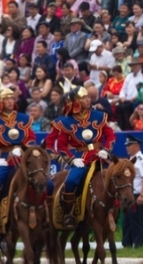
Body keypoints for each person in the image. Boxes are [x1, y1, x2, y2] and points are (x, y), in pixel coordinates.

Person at [46, 87, 116, 228]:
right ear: (76, 101)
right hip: (80, 158)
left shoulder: (99, 116)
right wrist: (71, 160)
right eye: (84, 98)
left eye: (88, 97)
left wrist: (107, 150)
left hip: (99, 156)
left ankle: (114, 211)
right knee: (71, 181)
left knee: (116, 178)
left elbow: (110, 135)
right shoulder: (66, 122)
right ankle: (68, 213)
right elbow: (62, 145)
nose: (88, 100)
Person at [0, 88, 37, 230]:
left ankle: (44, 212)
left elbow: (31, 137)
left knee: (44, 180)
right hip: (5, 158)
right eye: (7, 99)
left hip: (24, 156)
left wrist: (24, 148)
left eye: (12, 98)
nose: (10, 101)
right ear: (0, 102)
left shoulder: (24, 118)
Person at [123, 135, 143, 248]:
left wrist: (142, 195)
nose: (127, 148)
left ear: (136, 146)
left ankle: (138, 243)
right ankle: (127, 243)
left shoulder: (142, 160)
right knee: (127, 220)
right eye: (127, 145)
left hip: (137, 194)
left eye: (129, 145)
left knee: (137, 220)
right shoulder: (129, 160)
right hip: (128, 195)